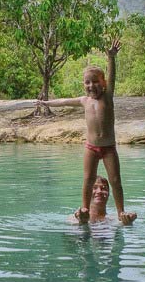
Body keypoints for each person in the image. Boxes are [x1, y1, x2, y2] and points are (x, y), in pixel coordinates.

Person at [38, 39, 137, 225]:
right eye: (87, 83)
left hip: (108, 147)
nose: (91, 86)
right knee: (88, 179)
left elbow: (113, 76)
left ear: (104, 83)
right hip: (91, 147)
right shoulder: (84, 100)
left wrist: (111, 58)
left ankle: (120, 211)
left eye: (95, 82)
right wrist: (47, 103)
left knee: (115, 180)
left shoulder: (107, 97)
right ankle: (84, 209)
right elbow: (64, 101)